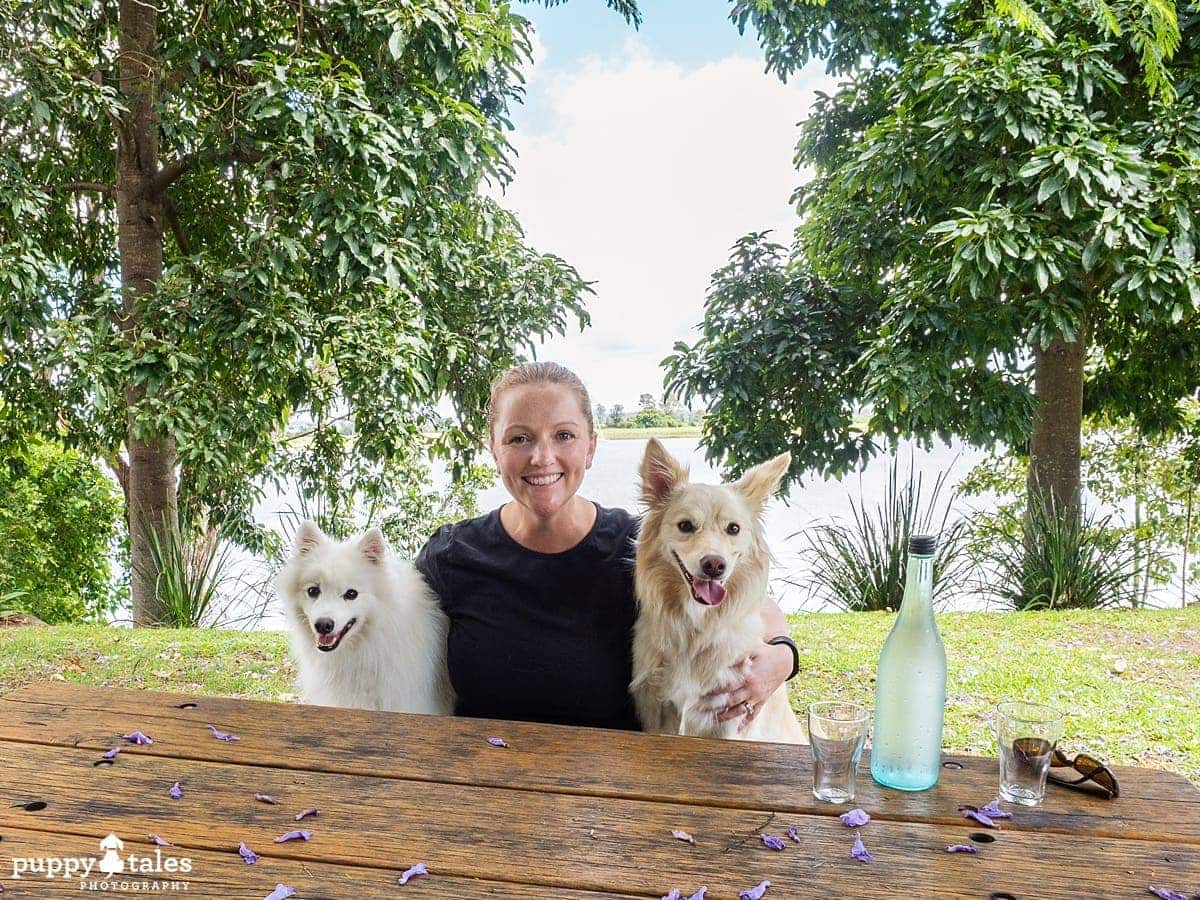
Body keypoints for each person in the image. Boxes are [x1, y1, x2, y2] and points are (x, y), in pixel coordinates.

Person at [415, 362, 795, 731]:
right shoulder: (452, 556)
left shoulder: (637, 547)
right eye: (519, 438)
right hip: (481, 781)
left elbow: (749, 602)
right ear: (494, 450)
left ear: (591, 448)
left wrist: (783, 656)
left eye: (564, 435)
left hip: (613, 783)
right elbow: (380, 622)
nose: (542, 457)